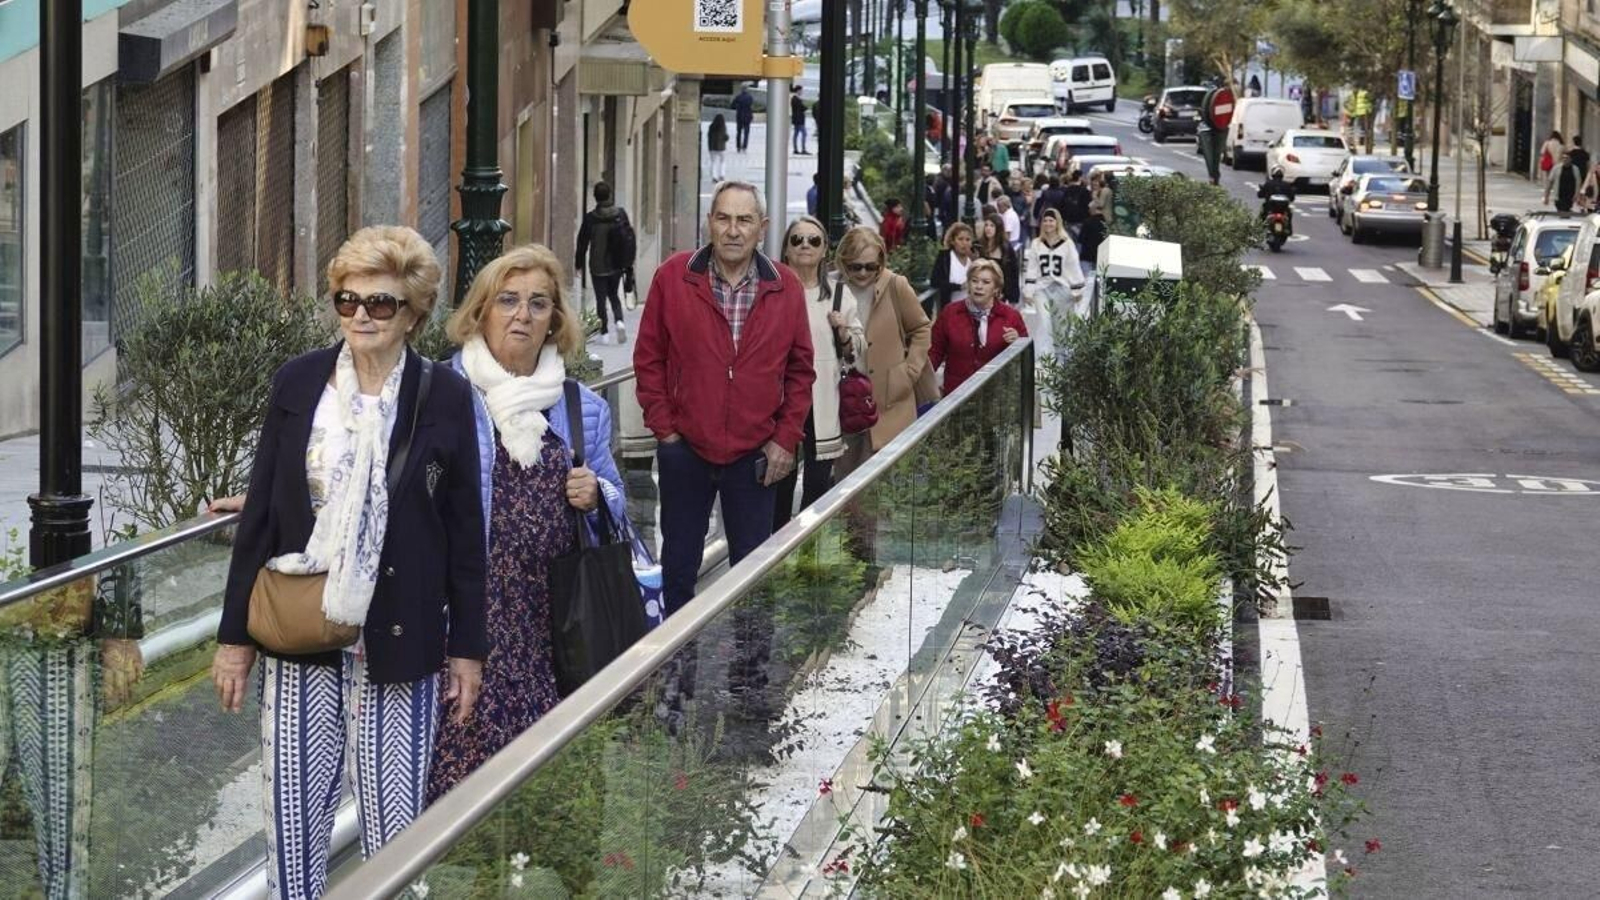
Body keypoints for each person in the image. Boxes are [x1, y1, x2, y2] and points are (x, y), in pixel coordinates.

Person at [212, 225, 487, 899]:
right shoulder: (299, 382)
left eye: (380, 303)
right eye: (346, 300)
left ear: (414, 313)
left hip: (400, 636)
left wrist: (469, 650)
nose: (360, 315)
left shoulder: (445, 398)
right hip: (301, 628)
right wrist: (232, 638)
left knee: (395, 830)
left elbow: (465, 532)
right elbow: (263, 520)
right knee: (293, 824)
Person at [428, 243, 631, 801]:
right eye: (508, 300)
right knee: (461, 773)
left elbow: (621, 508)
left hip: (554, 621)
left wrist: (599, 494)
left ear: (554, 321)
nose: (522, 314)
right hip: (468, 620)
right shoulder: (442, 394)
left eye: (538, 304)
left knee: (557, 776)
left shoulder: (580, 406)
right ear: (481, 312)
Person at [633, 181, 815, 616]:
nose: (733, 230)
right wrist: (667, 431)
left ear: (762, 228)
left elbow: (800, 370)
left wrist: (785, 439)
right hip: (686, 450)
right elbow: (649, 358)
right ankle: (676, 668)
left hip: (755, 455)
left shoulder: (784, 286)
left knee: (753, 574)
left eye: (744, 220)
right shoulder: (674, 277)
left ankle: (750, 674)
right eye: (724, 218)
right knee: (678, 568)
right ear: (710, 223)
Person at [774, 216, 865, 529]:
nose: (805, 246)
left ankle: (808, 550)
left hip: (822, 399)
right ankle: (774, 548)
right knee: (778, 479)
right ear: (786, 248)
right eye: (797, 239)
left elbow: (860, 349)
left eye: (813, 240)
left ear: (825, 249)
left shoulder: (839, 295)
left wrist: (843, 334)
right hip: (778, 399)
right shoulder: (770, 291)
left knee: (816, 482)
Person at [832, 226, 935, 476]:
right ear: (844, 261)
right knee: (846, 480)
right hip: (844, 399)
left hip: (889, 398)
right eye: (856, 266)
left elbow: (921, 328)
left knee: (885, 480)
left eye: (871, 266)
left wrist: (909, 372)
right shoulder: (832, 287)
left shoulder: (895, 285)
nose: (864, 273)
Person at [929, 258, 1029, 395]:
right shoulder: (950, 313)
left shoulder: (1010, 316)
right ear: (968, 284)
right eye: (974, 281)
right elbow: (934, 352)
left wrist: (1017, 343)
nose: (979, 286)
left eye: (986, 282)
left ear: (996, 289)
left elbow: (1025, 357)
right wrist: (920, 383)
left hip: (996, 397)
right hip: (956, 395)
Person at [574, 181, 635, 344]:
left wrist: (578, 264)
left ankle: (605, 333)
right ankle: (619, 321)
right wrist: (628, 262)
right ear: (610, 195)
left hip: (597, 265)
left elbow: (582, 243)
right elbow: (628, 238)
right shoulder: (620, 214)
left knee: (601, 299)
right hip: (616, 264)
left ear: (595, 197)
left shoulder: (591, 218)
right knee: (614, 295)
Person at [1023, 208, 1086, 358]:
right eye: (1045, 220)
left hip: (1062, 289)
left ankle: (1060, 362)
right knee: (1045, 324)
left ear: (1057, 222)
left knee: (1060, 330)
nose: (1048, 223)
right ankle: (1042, 358)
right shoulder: (1036, 243)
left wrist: (1077, 289)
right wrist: (1028, 291)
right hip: (1041, 289)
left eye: (1051, 220)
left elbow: (1073, 266)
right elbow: (1032, 267)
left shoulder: (1067, 243)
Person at [929, 222, 976, 316]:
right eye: (960, 239)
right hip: (950, 311)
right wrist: (959, 287)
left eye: (968, 240)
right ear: (952, 241)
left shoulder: (974, 259)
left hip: (971, 311)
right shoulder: (945, 257)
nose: (964, 243)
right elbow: (935, 281)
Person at [978, 211, 1022, 307]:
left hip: (1000, 294)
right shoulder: (979, 246)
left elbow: (1013, 273)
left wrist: (1013, 298)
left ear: (998, 228)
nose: (988, 228)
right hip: (981, 293)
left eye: (992, 226)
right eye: (986, 225)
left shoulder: (1006, 248)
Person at [1059, 170, 1092, 238]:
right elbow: (1088, 207)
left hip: (1068, 220)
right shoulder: (1085, 191)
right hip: (1081, 220)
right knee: (1079, 242)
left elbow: (1062, 206)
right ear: (1080, 178)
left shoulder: (1066, 190)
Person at [707, 114, 730, 182]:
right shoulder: (723, 127)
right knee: (722, 162)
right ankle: (722, 175)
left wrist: (710, 147)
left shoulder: (711, 126)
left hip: (712, 147)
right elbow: (725, 137)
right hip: (721, 148)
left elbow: (709, 137)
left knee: (713, 162)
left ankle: (714, 176)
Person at [732, 85, 755, 152]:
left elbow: (732, 105)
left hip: (739, 116)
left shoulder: (738, 97)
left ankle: (738, 147)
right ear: (747, 90)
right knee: (746, 133)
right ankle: (744, 147)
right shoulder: (750, 97)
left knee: (739, 133)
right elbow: (751, 106)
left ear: (741, 90)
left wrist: (738, 107)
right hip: (747, 117)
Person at [791, 87, 809, 155]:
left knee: (796, 134)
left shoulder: (795, 99)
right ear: (798, 91)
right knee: (804, 133)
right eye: (801, 90)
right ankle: (803, 149)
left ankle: (796, 149)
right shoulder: (796, 99)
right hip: (799, 120)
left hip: (796, 119)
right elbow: (803, 107)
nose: (802, 92)